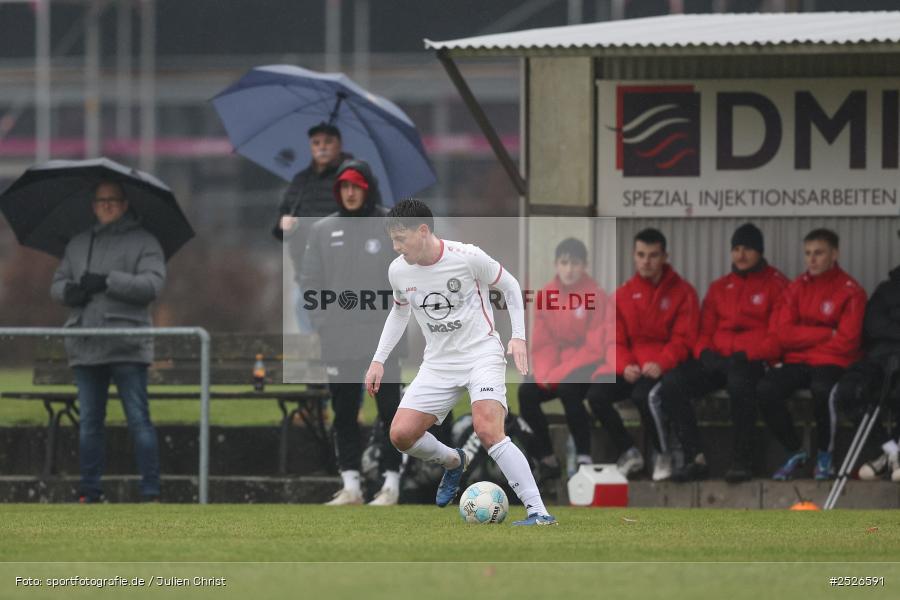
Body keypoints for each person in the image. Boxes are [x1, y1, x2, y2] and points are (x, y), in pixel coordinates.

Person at [364, 199, 557, 526]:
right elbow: (399, 311)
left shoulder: (467, 257)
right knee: (401, 435)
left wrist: (519, 336)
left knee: (488, 430)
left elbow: (510, 286)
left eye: (400, 239)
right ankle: (454, 461)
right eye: (392, 240)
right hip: (438, 364)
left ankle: (538, 511)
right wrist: (378, 360)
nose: (396, 247)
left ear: (422, 231)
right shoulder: (398, 270)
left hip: (482, 354)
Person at [50, 181, 166, 502]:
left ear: (125, 204)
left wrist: (108, 281)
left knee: (138, 420)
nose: (107, 205)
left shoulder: (145, 242)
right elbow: (57, 283)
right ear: (93, 205)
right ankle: (90, 491)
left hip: (127, 344)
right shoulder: (78, 244)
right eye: (101, 200)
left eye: (113, 199)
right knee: (89, 423)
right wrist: (70, 292)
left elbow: (152, 285)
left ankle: (151, 491)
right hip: (86, 344)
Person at [301, 159, 404, 506]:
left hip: (382, 339)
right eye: (344, 186)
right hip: (339, 339)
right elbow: (310, 283)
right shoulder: (322, 230)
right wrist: (323, 322)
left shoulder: (389, 225)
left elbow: (407, 274)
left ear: (367, 188)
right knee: (344, 412)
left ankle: (391, 484)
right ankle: (351, 486)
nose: (349, 193)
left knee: (390, 412)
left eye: (356, 186)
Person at [659, 224, 789, 483]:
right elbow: (704, 330)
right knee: (673, 383)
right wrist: (705, 353)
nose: (741, 255)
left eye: (748, 249)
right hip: (719, 359)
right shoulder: (719, 287)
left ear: (760, 251)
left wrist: (746, 355)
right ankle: (694, 458)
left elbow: (778, 336)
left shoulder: (778, 285)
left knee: (740, 384)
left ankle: (742, 460)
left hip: (751, 361)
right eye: (736, 249)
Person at [587, 228, 699, 481]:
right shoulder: (622, 295)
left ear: (665, 257)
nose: (646, 261)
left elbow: (684, 339)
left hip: (662, 369)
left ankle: (663, 454)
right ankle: (629, 451)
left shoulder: (683, 293)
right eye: (641, 255)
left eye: (653, 255)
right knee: (596, 395)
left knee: (644, 396)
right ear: (634, 256)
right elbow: (613, 340)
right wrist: (624, 365)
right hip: (631, 368)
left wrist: (662, 363)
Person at [757, 228, 866, 481]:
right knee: (765, 388)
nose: (812, 259)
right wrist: (826, 333)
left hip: (833, 362)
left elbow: (848, 342)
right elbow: (783, 334)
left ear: (834, 254)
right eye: (807, 253)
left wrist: (803, 339)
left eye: (819, 253)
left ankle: (825, 455)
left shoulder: (851, 291)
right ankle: (796, 451)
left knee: (822, 389)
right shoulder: (795, 288)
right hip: (799, 361)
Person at [517, 238, 608, 484]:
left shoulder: (597, 296)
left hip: (588, 367)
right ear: (556, 264)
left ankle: (584, 457)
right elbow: (543, 342)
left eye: (575, 263)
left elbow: (594, 347)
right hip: (556, 368)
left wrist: (559, 373)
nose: (569, 269)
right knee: (527, 392)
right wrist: (545, 372)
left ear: (585, 265)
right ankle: (547, 458)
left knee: (569, 389)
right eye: (564, 263)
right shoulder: (546, 295)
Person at [273, 122, 352, 333]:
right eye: (316, 143)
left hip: (341, 274)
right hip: (305, 273)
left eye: (328, 142)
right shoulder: (300, 182)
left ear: (339, 144)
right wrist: (284, 224)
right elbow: (280, 226)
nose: (322, 147)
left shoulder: (350, 180)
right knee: (307, 329)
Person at [834, 258, 900, 483]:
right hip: (880, 359)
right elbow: (873, 326)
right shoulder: (887, 289)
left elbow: (883, 327)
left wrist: (890, 328)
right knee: (849, 391)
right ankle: (891, 451)